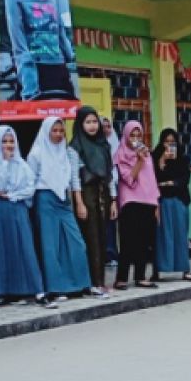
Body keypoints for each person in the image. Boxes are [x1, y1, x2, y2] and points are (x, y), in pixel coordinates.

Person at [0, 126, 56, 308]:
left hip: (17, 207)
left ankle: (36, 290)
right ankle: (2, 291)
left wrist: (14, 195)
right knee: (1, 248)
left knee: (24, 246)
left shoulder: (22, 165)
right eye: (4, 142)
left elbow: (30, 187)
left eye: (11, 141)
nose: (8, 145)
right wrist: (5, 163)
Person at [27, 115, 94, 299]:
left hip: (63, 200)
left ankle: (81, 284)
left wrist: (77, 201)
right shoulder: (37, 153)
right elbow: (30, 180)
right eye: (54, 131)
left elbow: (73, 178)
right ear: (46, 132)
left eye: (61, 130)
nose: (58, 134)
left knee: (76, 241)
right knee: (51, 246)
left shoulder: (66, 151)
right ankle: (56, 288)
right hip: (45, 198)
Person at [1, 0, 76, 102]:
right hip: (53, 67)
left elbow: (18, 40)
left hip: (42, 69)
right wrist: (68, 56)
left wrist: (29, 91)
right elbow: (60, 31)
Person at [69, 106, 115, 295]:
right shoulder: (75, 147)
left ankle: (100, 281)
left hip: (103, 195)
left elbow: (109, 174)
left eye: (94, 121)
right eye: (87, 122)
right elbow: (74, 178)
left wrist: (113, 200)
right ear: (80, 124)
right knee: (91, 238)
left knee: (103, 238)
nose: (92, 126)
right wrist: (79, 202)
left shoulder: (104, 145)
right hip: (86, 195)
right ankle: (93, 282)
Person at [113, 121, 160, 289]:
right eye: (132, 135)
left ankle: (140, 276)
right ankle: (121, 278)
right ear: (125, 136)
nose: (135, 139)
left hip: (147, 200)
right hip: (130, 200)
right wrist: (139, 161)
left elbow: (152, 180)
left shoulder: (147, 154)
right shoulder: (120, 155)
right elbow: (129, 179)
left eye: (138, 135)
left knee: (144, 241)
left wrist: (156, 204)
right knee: (128, 241)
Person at [152, 128, 191, 282]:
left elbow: (184, 179)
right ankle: (158, 270)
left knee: (180, 235)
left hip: (179, 200)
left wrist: (168, 183)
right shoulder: (154, 158)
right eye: (166, 142)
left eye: (172, 142)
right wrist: (162, 161)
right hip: (161, 202)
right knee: (161, 236)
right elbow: (154, 179)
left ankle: (185, 270)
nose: (169, 145)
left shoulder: (182, 159)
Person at [101, 116, 121, 266]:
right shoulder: (97, 146)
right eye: (103, 126)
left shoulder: (117, 145)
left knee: (113, 222)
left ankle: (113, 253)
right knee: (105, 222)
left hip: (119, 187)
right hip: (103, 188)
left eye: (108, 126)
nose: (106, 129)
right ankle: (106, 254)